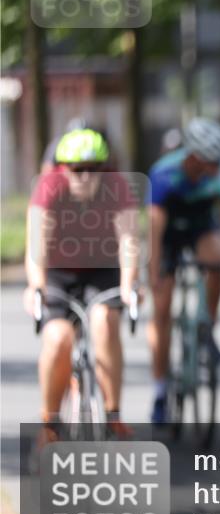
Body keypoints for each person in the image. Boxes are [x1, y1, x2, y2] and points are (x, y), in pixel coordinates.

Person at [24, 127, 140, 443]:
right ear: (64, 168)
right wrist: (36, 285)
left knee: (104, 322)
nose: (85, 177)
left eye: (93, 169)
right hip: (60, 272)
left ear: (105, 169)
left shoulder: (118, 187)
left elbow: (129, 240)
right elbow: (37, 246)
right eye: (77, 170)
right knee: (59, 338)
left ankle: (113, 413)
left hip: (102, 270)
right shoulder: (49, 187)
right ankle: (50, 422)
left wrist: (130, 284)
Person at [146, 117, 220, 424]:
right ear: (193, 156)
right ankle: (159, 390)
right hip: (168, 233)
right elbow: (154, 231)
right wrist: (155, 274)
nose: (217, 168)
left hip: (201, 227)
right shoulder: (164, 174)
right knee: (162, 310)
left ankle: (207, 327)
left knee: (216, 260)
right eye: (211, 162)